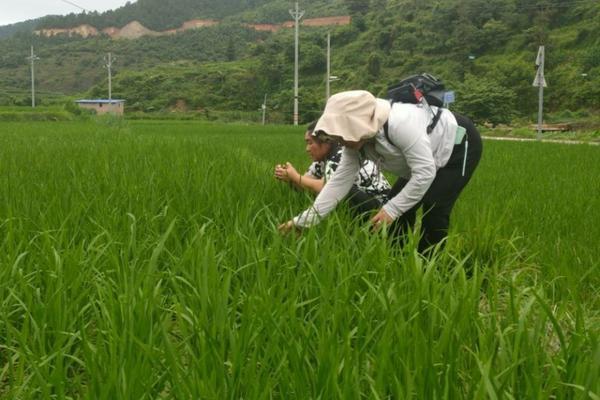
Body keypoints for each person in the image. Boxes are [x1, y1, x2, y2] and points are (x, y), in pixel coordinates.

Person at [278, 90, 482, 252]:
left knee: (434, 208)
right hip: (425, 157)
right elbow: (338, 184)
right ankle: (398, 260)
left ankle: (431, 272)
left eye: (342, 135)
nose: (340, 142)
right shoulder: (354, 143)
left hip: (458, 144)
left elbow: (425, 173)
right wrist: (303, 222)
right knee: (397, 203)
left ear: (358, 126)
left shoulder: (400, 124)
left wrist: (392, 210)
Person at [274, 121, 391, 218]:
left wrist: (295, 177)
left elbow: (328, 187)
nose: (307, 149)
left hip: (380, 206)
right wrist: (289, 178)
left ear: (326, 142)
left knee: (339, 190)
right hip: (364, 202)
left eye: (310, 143)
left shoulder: (341, 154)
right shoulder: (321, 160)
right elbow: (305, 183)